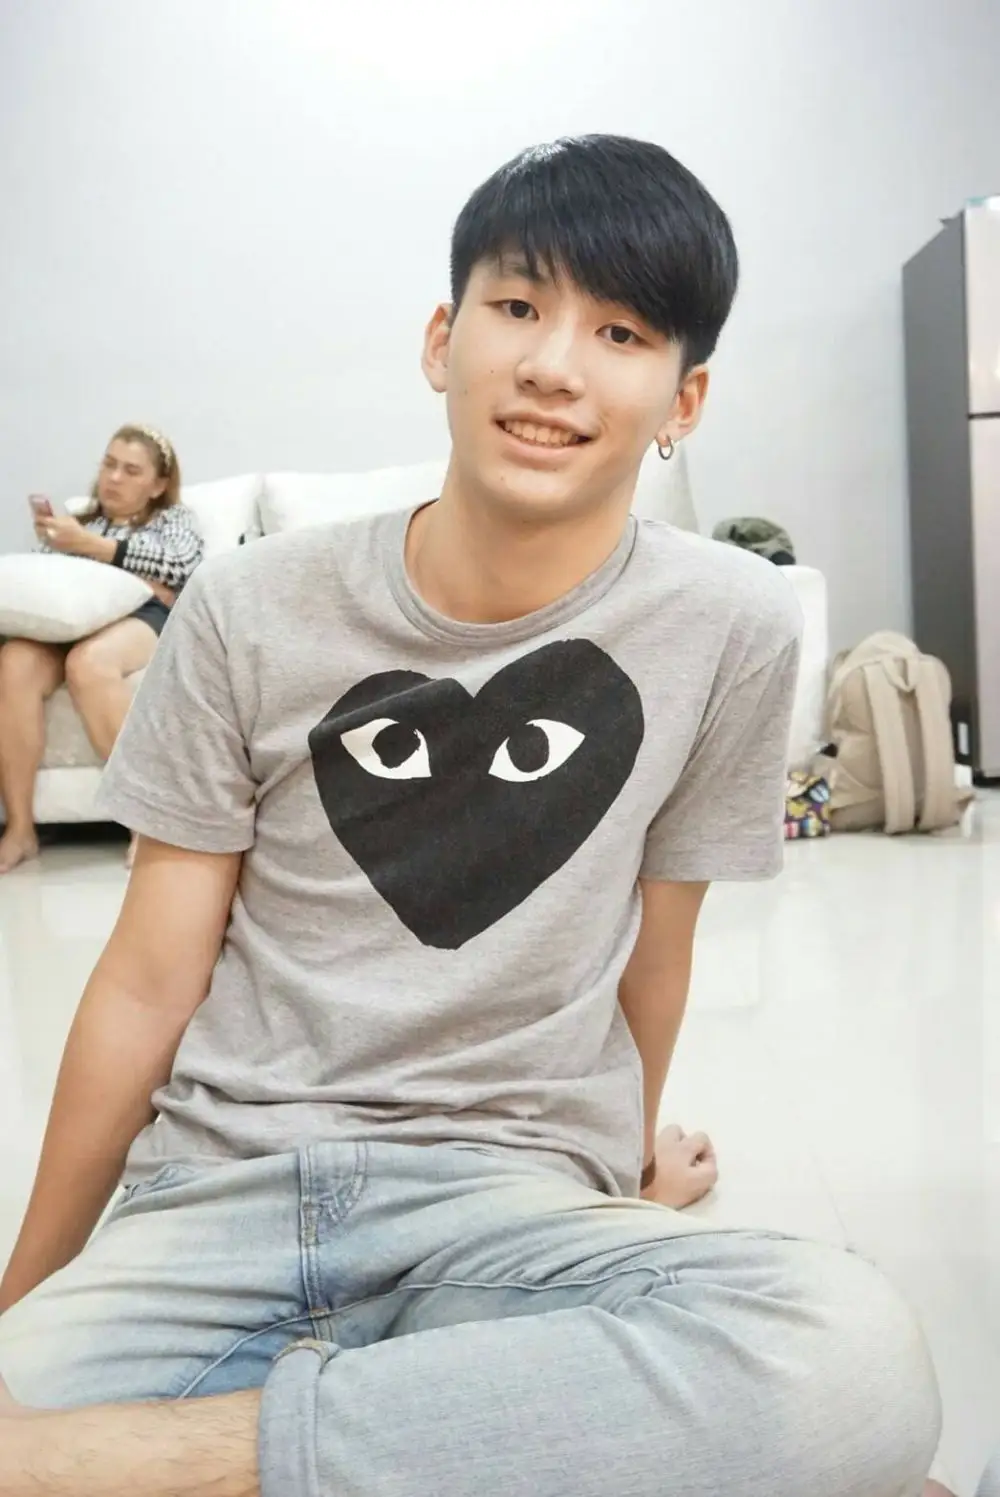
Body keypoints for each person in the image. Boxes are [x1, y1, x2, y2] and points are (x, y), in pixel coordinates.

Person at [0, 137, 941, 1497]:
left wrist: (610, 1193)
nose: (555, 364)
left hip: (504, 1209)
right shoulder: (250, 606)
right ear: (443, 342)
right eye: (517, 306)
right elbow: (148, 981)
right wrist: (25, 1296)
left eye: (619, 332)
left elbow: (656, 957)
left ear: (683, 398)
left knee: (854, 1359)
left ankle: (129, 1465)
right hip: (214, 1201)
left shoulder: (729, 622)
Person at [0, 424, 203, 874]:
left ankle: (145, 824)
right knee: (14, 662)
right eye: (109, 464)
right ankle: (20, 829)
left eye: (131, 470)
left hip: (143, 618)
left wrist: (90, 547)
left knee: (90, 663)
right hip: (70, 625)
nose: (113, 478)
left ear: (158, 484)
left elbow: (182, 568)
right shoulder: (79, 521)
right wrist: (75, 543)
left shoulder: (174, 520)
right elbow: (44, 585)